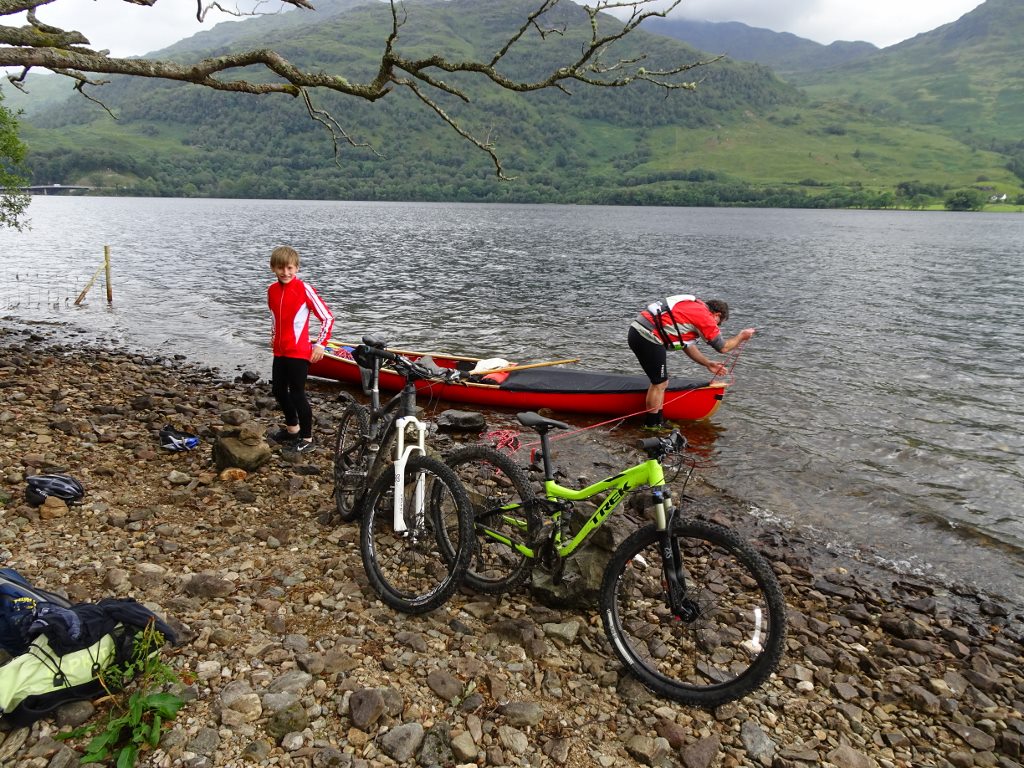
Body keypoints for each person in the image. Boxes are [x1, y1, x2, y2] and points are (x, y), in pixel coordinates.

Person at [628, 294, 755, 429]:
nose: (717, 326)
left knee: (661, 382)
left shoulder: (693, 308)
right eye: (719, 322)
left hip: (639, 332)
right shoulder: (705, 316)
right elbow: (723, 347)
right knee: (659, 383)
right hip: (647, 336)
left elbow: (687, 345)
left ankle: (658, 420)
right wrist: (741, 336)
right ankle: (652, 425)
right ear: (717, 314)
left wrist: (707, 363)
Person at [267, 246, 335, 453]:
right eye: (280, 268)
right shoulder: (271, 290)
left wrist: (320, 345)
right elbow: (274, 319)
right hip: (280, 351)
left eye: (289, 268)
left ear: (296, 268)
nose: (285, 273)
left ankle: (307, 438)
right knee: (278, 391)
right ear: (273, 268)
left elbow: (327, 317)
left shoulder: (305, 289)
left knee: (297, 394)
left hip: (298, 352)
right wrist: (272, 338)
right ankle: (292, 429)